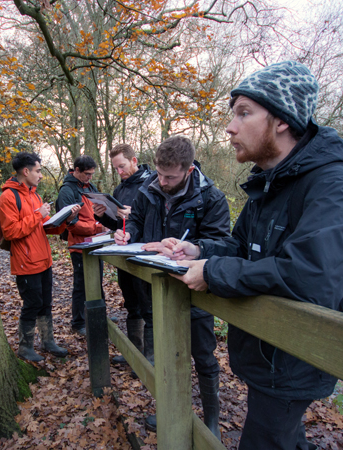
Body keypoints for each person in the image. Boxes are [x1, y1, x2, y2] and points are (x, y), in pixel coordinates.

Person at [164, 61, 343, 450]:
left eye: (244, 113)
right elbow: (241, 248)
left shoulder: (332, 184)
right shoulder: (270, 182)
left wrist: (212, 272)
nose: (230, 127)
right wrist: (199, 249)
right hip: (269, 353)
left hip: (296, 358)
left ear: (282, 120)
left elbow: (313, 277)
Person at [113, 136, 230, 438]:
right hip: (155, 288)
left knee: (203, 355)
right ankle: (169, 407)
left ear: (189, 170)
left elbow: (224, 244)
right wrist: (127, 235)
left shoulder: (211, 198)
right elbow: (136, 221)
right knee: (165, 353)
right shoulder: (148, 188)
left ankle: (211, 420)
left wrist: (195, 247)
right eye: (160, 175)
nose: (162, 182)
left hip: (196, 292)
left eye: (171, 177)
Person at [0, 152, 80, 362]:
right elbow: (11, 232)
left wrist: (64, 220)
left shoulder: (35, 196)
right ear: (26, 171)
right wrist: (38, 214)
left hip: (44, 259)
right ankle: (25, 347)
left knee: (45, 303)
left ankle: (48, 341)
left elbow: (44, 228)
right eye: (38, 171)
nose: (41, 175)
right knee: (32, 304)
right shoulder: (8, 197)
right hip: (26, 262)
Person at [93, 144, 154, 364]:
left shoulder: (152, 184)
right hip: (124, 255)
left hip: (145, 256)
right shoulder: (119, 190)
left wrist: (134, 214)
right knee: (131, 305)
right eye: (116, 168)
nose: (119, 172)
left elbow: (156, 223)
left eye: (122, 166)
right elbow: (119, 225)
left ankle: (149, 360)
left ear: (134, 160)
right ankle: (133, 354)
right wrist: (102, 217)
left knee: (148, 308)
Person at [56, 155, 108, 336]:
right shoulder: (67, 191)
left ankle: (99, 314)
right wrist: (97, 227)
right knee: (81, 285)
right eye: (87, 174)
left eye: (92, 174)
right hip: (79, 246)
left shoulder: (88, 187)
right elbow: (71, 224)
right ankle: (78, 321)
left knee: (97, 281)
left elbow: (97, 211)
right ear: (76, 170)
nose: (90, 177)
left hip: (96, 244)